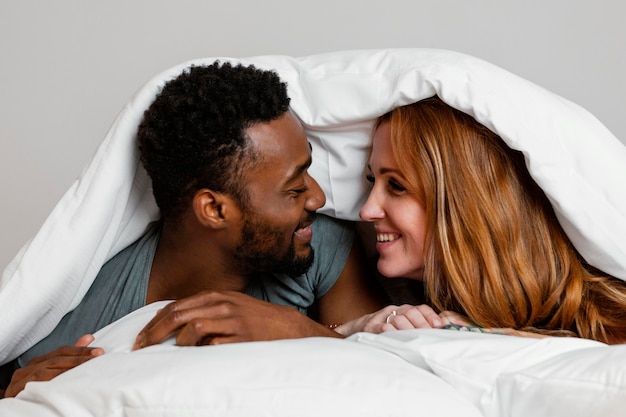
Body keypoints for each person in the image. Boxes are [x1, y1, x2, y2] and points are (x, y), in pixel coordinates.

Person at [0, 62, 386, 398]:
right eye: (295, 187)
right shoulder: (79, 315)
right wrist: (10, 396)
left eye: (309, 172)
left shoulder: (317, 243)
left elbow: (386, 373)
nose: (317, 198)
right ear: (214, 209)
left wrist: (293, 327)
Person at [336, 96, 626, 344]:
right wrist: (354, 328)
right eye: (372, 180)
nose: (367, 210)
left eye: (396, 186)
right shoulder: (391, 296)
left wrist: (489, 334)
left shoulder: (601, 311)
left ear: (464, 203)